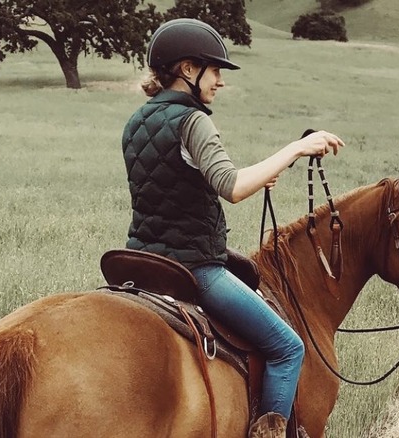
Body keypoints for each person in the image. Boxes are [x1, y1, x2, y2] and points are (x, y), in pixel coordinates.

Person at [121, 18, 344, 438]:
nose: (219, 81)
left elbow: (177, 178)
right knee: (287, 347)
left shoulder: (136, 122)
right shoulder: (193, 120)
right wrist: (296, 148)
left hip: (140, 261)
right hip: (193, 266)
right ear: (188, 70)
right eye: (214, 69)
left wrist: (266, 172)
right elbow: (234, 187)